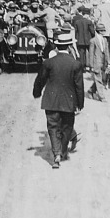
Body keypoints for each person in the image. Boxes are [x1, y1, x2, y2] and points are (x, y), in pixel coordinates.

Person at [32, 33, 85, 169]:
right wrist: (80, 103)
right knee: (66, 127)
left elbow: (40, 80)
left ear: (56, 45)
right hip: (69, 102)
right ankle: (62, 151)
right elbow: (79, 86)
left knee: (53, 127)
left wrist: (36, 93)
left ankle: (56, 154)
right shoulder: (75, 64)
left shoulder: (49, 62)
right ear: (69, 46)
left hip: (51, 101)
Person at [87, 23, 110, 102]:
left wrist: (109, 63)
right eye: (103, 30)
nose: (104, 32)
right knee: (99, 80)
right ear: (99, 31)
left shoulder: (105, 40)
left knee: (98, 79)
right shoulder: (93, 41)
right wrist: (91, 65)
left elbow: (107, 52)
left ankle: (90, 91)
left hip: (103, 63)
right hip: (96, 63)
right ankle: (102, 97)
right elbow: (91, 54)